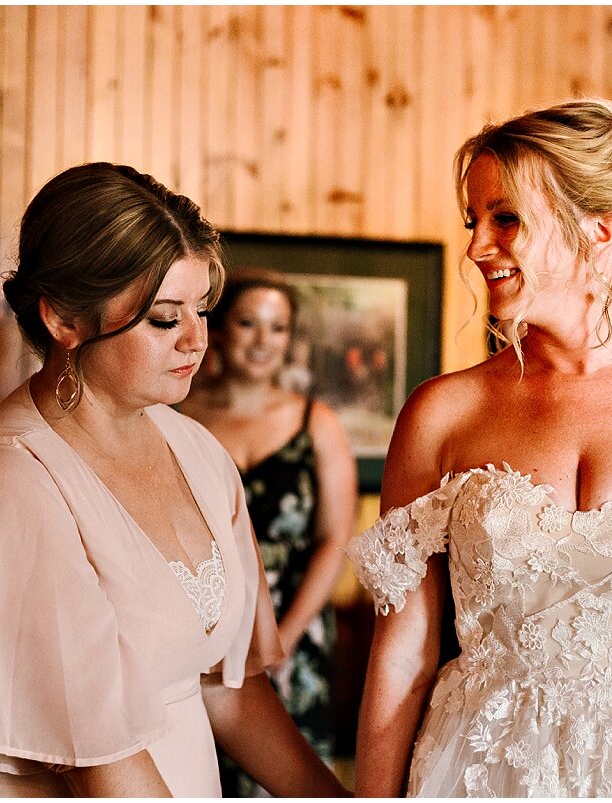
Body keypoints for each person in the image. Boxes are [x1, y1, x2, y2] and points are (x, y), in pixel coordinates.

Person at [346, 98, 612, 798]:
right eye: (474, 220)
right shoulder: (441, 413)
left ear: (601, 230)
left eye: (506, 219)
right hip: (479, 769)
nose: (475, 247)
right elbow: (402, 653)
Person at [0, 163, 349, 797]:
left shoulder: (199, 453)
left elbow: (228, 690)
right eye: (164, 320)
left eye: (202, 311)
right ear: (65, 319)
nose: (197, 343)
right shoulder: (11, 487)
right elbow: (103, 763)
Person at [180, 267, 358, 795]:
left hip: (292, 624)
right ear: (217, 328)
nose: (263, 341)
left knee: (285, 774)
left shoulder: (315, 423)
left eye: (278, 328)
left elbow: (335, 540)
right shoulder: (177, 415)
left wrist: (283, 639)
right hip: (200, 623)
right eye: (248, 323)